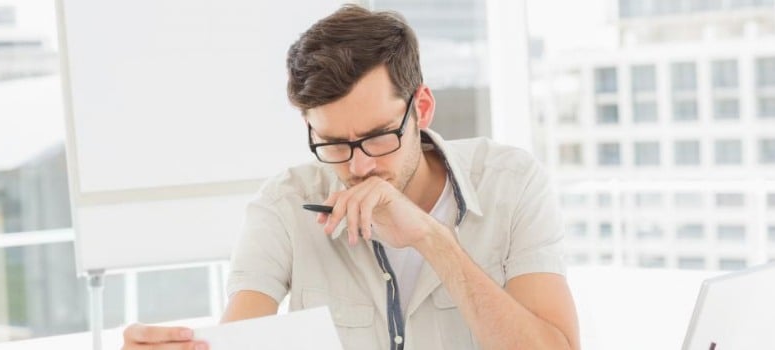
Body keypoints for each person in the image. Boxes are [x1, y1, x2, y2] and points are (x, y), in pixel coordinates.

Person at [123, 4, 579, 350]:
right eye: (334, 144)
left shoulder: (511, 182)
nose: (358, 167)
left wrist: (431, 239)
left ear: (420, 109)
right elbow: (242, 335)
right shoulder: (283, 206)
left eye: (378, 137)